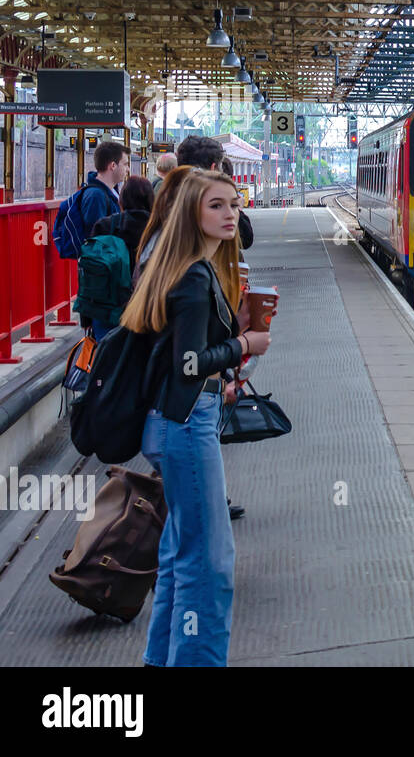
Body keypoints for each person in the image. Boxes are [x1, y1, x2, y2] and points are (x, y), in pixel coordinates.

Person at [119, 168, 271, 667]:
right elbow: (188, 366)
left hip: (173, 421)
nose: (231, 214)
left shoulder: (186, 267)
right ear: (192, 213)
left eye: (234, 203)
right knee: (210, 563)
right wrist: (243, 344)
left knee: (180, 554)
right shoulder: (192, 276)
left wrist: (235, 331)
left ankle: (160, 660)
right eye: (217, 206)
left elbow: (181, 353)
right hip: (186, 422)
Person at [83, 176, 155, 340]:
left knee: (107, 358)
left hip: (108, 310)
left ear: (122, 200)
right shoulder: (161, 228)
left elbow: (90, 273)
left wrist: (87, 317)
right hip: (149, 309)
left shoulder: (105, 226)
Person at [177, 136, 253, 249]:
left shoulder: (166, 194)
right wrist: (235, 207)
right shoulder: (209, 196)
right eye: (216, 206)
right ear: (214, 168)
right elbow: (245, 239)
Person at [79, 141, 129, 240]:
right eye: (125, 164)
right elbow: (95, 240)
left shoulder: (110, 192)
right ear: (113, 166)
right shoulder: (96, 196)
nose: (128, 169)